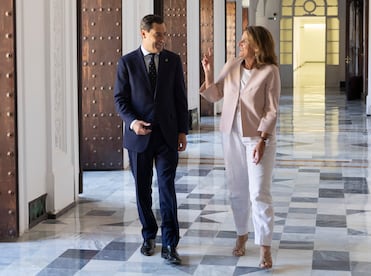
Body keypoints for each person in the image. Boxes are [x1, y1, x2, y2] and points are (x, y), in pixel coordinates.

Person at [200, 26, 280, 269]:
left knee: (259, 192)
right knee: (237, 188)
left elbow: (272, 109)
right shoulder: (232, 65)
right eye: (241, 40)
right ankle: (241, 233)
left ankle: (265, 247)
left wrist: (262, 140)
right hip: (231, 135)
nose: (240, 44)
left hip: (258, 138)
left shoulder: (270, 71)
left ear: (257, 46)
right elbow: (215, 95)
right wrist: (208, 74)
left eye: (245, 41)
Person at [114, 14, 188, 265]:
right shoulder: (127, 63)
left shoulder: (173, 60)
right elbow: (120, 99)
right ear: (143, 34)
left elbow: (180, 97)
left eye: (164, 34)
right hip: (139, 136)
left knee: (167, 188)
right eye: (158, 34)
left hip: (167, 136)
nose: (162, 39)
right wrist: (133, 123)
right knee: (142, 189)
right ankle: (149, 235)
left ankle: (170, 243)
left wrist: (182, 131)